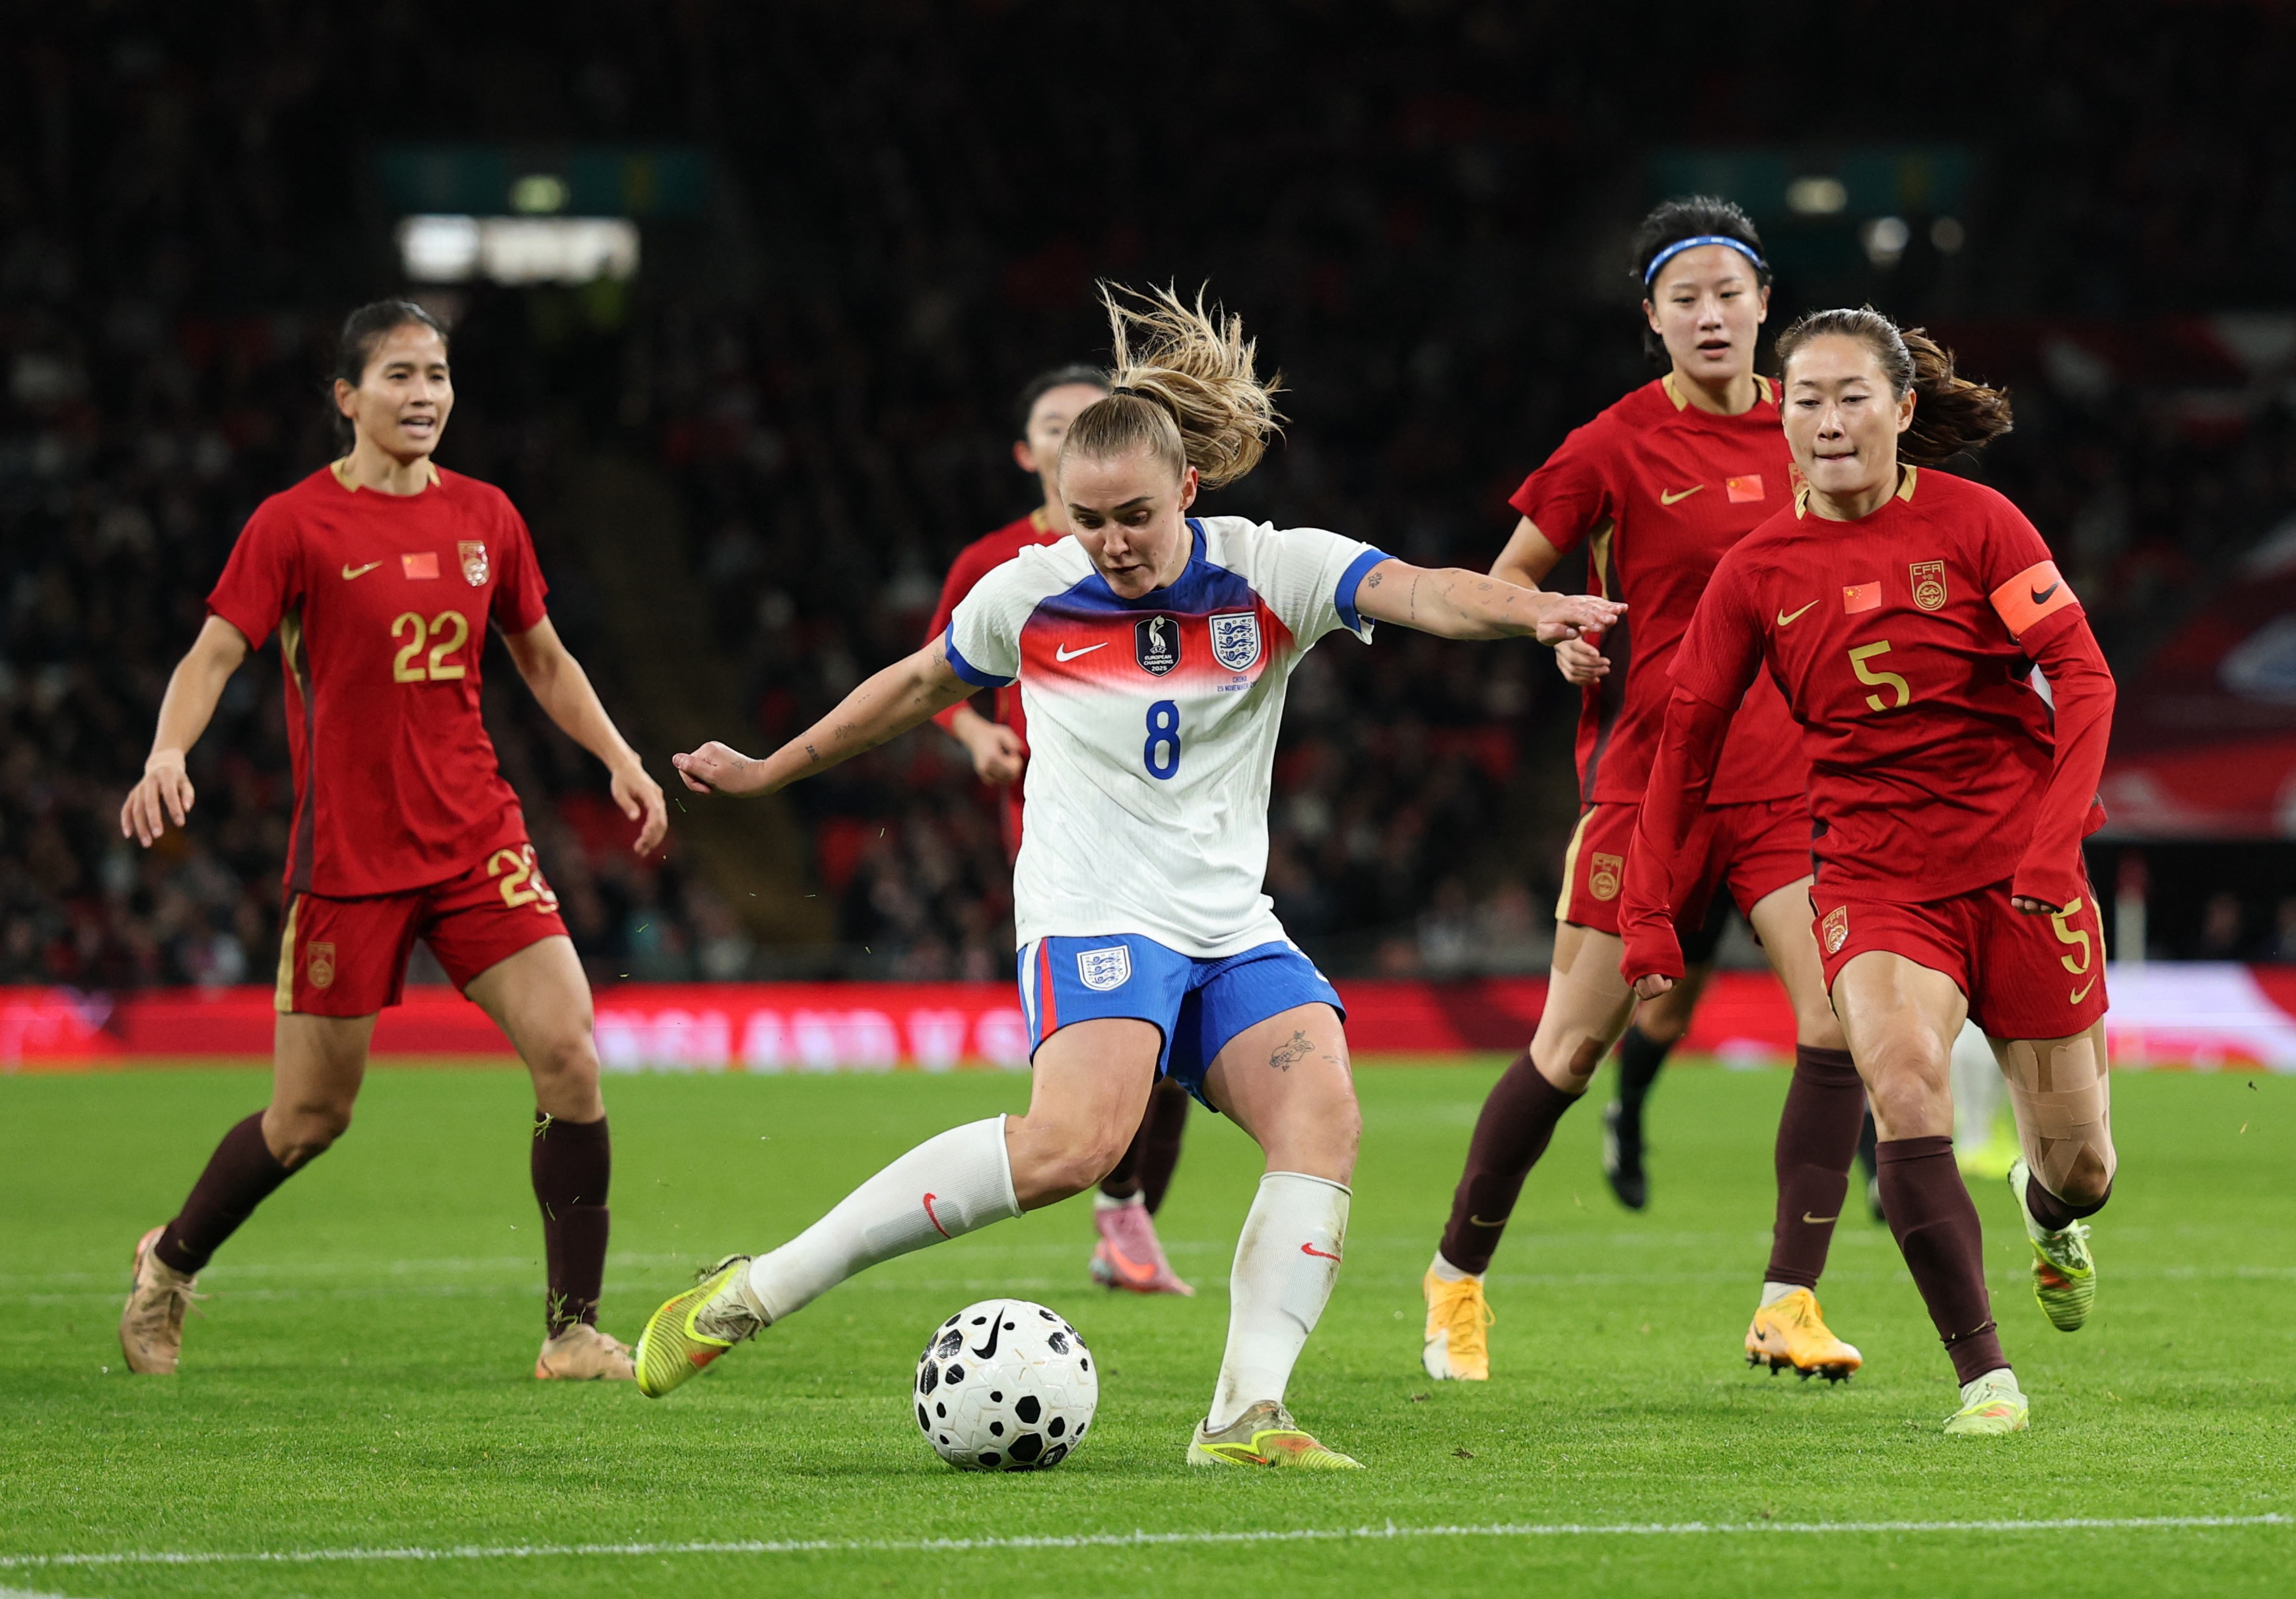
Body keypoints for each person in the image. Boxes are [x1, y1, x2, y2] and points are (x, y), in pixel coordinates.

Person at [632, 284, 1621, 1468]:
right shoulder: (1029, 592)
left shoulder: (1271, 570)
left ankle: (1244, 1415)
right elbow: (914, 686)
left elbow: (1423, 590)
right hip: (1093, 910)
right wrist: (769, 771)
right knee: (1074, 1148)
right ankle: (757, 1289)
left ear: (1188, 489)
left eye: (1135, 516)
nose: (1112, 541)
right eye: (1088, 517)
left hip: (1229, 924)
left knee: (1323, 1116)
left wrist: (1530, 611)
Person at [115, 301, 668, 1380]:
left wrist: (619, 756)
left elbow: (543, 657)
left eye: (439, 375)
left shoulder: (487, 515)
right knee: (309, 1118)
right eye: (400, 376)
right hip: (350, 860)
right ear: (347, 396)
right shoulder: (294, 524)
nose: (424, 396)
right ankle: (168, 1264)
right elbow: (215, 651)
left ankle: (570, 1331)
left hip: (474, 838)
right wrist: (166, 751)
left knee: (570, 1055)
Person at [1620, 308, 2118, 1436]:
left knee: (2082, 1165)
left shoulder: (1979, 523)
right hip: (1872, 879)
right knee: (1901, 1084)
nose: (1829, 420)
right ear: (1780, 419)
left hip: (2018, 874)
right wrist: (1647, 907)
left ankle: (2048, 1215)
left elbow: (2083, 678)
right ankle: (1985, 1378)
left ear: (1900, 408)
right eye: (1805, 399)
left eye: (1852, 397)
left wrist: (2051, 845)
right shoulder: (1755, 573)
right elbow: (1683, 748)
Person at [1422, 199, 1866, 1386]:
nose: (1710, 315)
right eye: (1685, 299)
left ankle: (1788, 1300)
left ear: (1764, 303)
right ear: (1652, 319)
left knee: (1836, 1024)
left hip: (1787, 784)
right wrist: (1555, 627)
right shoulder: (1612, 444)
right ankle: (1456, 1276)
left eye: (1729, 293)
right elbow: (1509, 577)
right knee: (1570, 1048)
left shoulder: (1815, 428)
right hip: (1651, 784)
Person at [923, 364, 1198, 1298]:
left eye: (1088, 417)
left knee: (1172, 1047)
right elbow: (932, 679)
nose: (1071, 431)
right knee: (1134, 1035)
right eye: (1053, 423)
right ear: (1027, 450)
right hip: (1059, 827)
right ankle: (1116, 1207)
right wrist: (976, 734)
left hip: (1170, 823)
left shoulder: (1166, 547)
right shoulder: (997, 562)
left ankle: (1126, 1215)